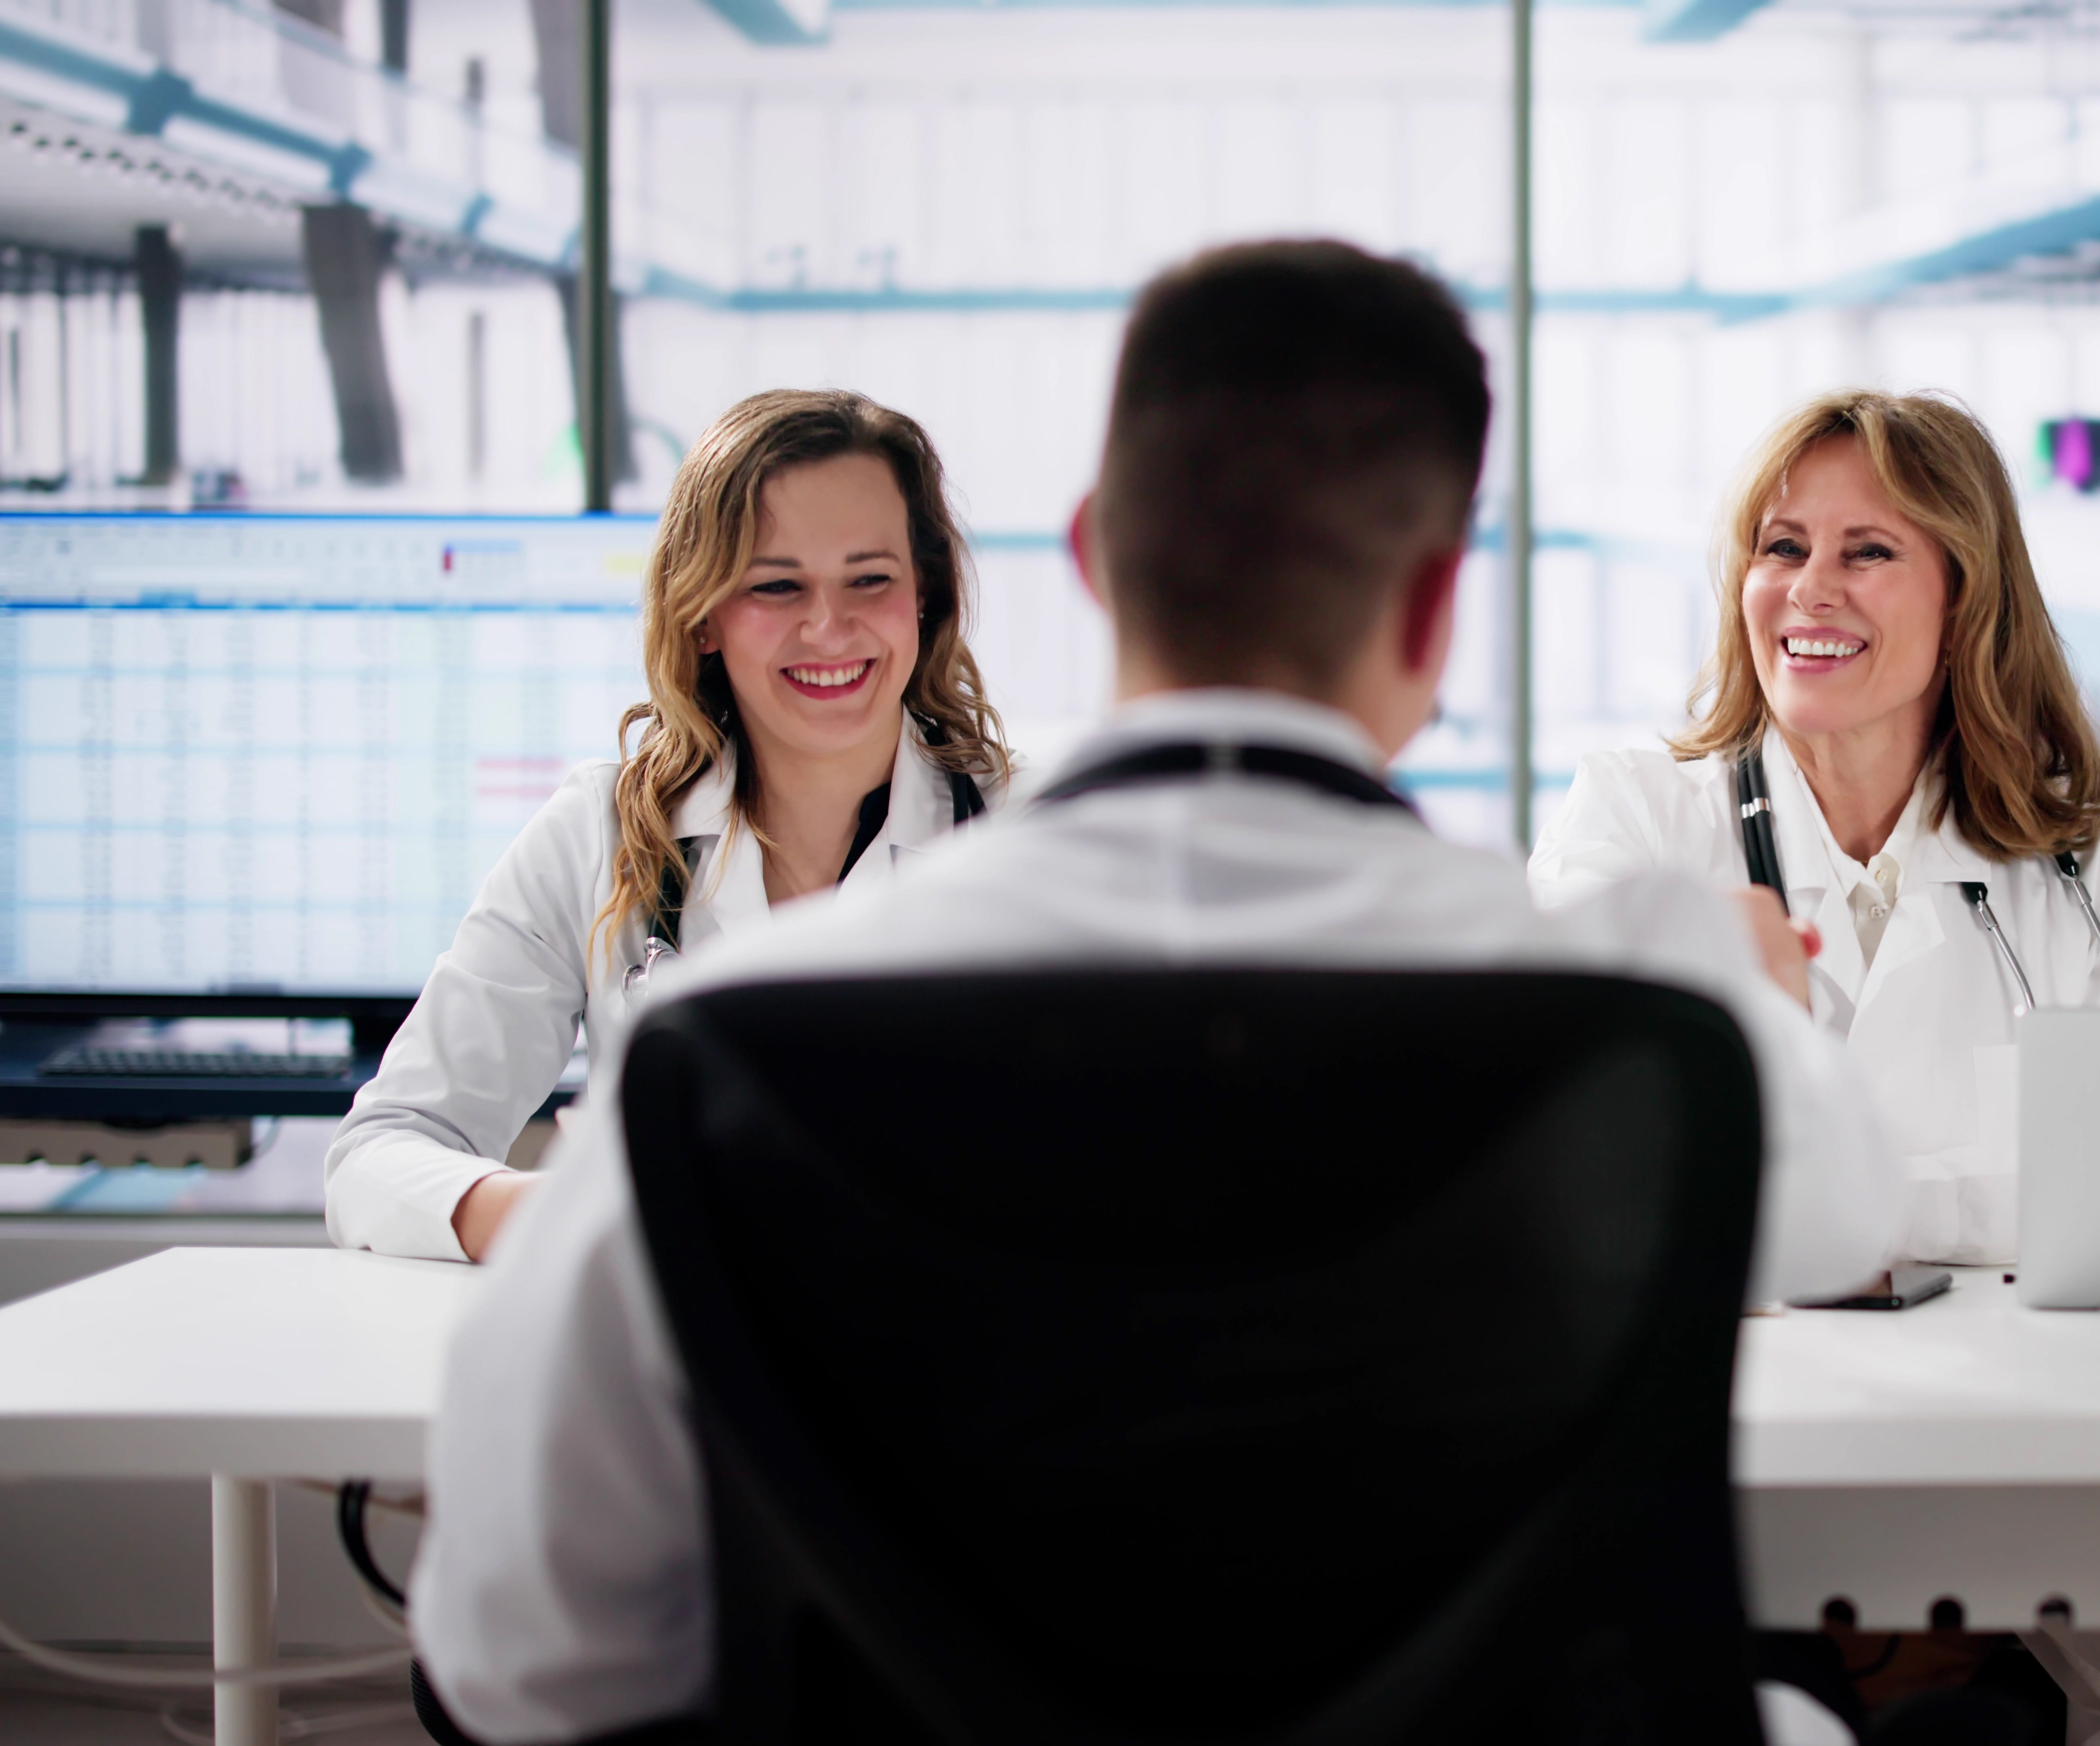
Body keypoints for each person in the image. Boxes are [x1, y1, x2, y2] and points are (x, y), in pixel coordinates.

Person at [404, 240, 1907, 1745]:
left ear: (1094, 555)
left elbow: (518, 1660)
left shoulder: (724, 1052)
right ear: (1438, 605)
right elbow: (1854, 1227)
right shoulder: (1650, 1016)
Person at [324, 390, 1013, 1262]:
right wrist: (567, 1216)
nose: (828, 626)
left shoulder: (1030, 838)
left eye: (869, 579)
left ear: (925, 594)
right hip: (669, 1369)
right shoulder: (600, 835)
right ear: (703, 616)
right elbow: (377, 1154)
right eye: (776, 585)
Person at [1530, 390, 2100, 1268]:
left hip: (2021, 1390)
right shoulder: (1631, 825)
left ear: (1965, 605)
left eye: (1867, 552)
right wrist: (1988, 1200)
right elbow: (1578, 1177)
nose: (1809, 589)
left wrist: (1807, 1204)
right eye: (1782, 548)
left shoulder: (2086, 869)